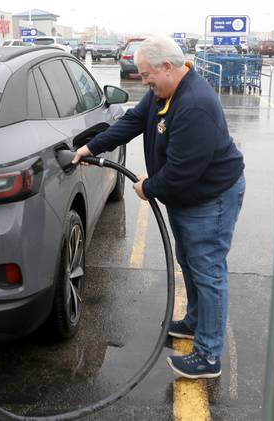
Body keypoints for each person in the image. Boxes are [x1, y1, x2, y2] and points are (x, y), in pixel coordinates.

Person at [71, 35, 245, 379]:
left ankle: (209, 355)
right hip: (189, 197)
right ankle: (195, 321)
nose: (143, 80)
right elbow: (132, 122)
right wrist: (91, 148)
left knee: (207, 270)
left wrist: (148, 186)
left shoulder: (194, 104)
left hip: (211, 198)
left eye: (147, 74)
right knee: (190, 262)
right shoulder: (163, 93)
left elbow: (183, 171)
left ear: (168, 66)